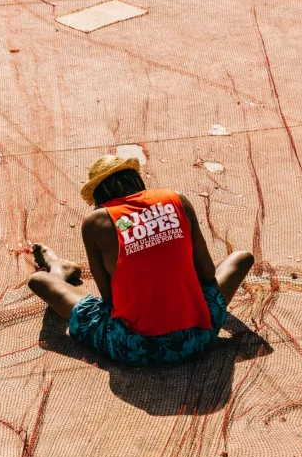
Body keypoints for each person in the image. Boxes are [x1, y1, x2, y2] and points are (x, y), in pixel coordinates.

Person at [28, 155, 253, 366]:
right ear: (136, 179)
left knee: (39, 281)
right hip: (199, 338)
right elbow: (206, 273)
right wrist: (204, 307)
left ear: (98, 195)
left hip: (135, 347)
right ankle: (197, 309)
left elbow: (109, 298)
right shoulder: (177, 200)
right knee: (242, 258)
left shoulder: (96, 222)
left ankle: (58, 271)